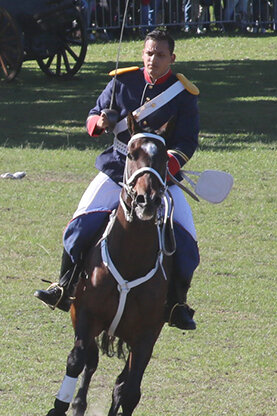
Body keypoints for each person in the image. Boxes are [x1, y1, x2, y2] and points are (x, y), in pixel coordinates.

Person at [34, 29, 201, 331]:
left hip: (161, 177)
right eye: (149, 53)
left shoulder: (184, 95)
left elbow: (187, 142)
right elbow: (94, 114)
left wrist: (162, 168)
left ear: (172, 58)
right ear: (142, 54)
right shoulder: (122, 81)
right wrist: (99, 123)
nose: (153, 59)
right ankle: (64, 286)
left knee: (187, 242)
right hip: (118, 168)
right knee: (78, 226)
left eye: (160, 55)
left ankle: (177, 304)